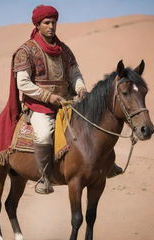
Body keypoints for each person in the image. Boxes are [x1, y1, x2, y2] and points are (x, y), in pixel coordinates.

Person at [12, 5, 122, 194]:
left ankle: (107, 165)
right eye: (47, 23)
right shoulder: (26, 51)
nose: (51, 26)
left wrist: (80, 88)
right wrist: (48, 96)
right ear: (38, 25)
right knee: (45, 133)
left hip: (66, 103)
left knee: (93, 125)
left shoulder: (64, 49)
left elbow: (75, 73)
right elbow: (23, 83)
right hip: (39, 106)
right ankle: (44, 177)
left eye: (54, 22)